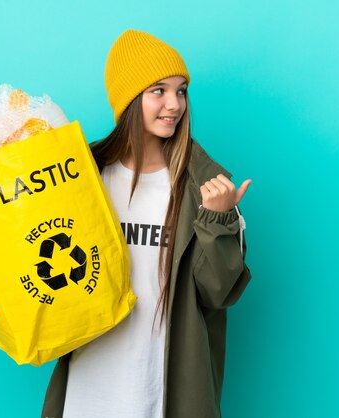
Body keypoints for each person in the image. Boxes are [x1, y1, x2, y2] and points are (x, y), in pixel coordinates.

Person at [41, 29, 252, 418]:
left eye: (182, 91)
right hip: (88, 385)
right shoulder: (82, 176)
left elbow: (218, 294)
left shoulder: (205, 188)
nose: (175, 104)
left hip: (161, 391)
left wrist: (218, 221)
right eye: (158, 90)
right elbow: (35, 253)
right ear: (128, 99)